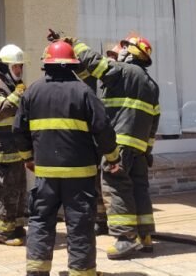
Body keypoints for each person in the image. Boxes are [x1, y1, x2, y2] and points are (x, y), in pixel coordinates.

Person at [14, 39, 120, 276]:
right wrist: (113, 158)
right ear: (72, 64)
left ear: (47, 65)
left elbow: (18, 130)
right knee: (80, 224)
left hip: (46, 175)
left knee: (41, 222)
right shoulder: (84, 92)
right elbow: (104, 129)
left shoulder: (33, 91)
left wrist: (28, 159)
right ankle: (81, 272)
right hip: (80, 176)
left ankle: (37, 272)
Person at [72, 35, 160, 259]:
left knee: (116, 188)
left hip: (118, 145)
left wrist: (75, 44)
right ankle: (145, 236)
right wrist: (147, 151)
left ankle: (125, 239)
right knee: (139, 190)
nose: (118, 50)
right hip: (138, 149)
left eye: (123, 46)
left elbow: (95, 63)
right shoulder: (151, 84)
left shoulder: (121, 71)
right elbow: (154, 121)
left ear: (130, 52)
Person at [0, 44, 31, 246]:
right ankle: (2, 233)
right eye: (15, 67)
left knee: (19, 190)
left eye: (20, 66)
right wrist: (18, 95)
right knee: (3, 192)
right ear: (5, 67)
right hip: (1, 151)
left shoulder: (13, 86)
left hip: (17, 151)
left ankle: (17, 226)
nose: (19, 70)